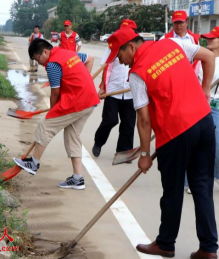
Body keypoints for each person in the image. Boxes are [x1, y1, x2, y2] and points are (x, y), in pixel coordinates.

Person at [105, 28, 218, 258]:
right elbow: (208, 56)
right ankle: (208, 248)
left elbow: (144, 120)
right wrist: (205, 89)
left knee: (173, 190)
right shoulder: (173, 45)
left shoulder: (137, 74)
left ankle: (165, 243)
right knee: (203, 186)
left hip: (176, 133)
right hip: (204, 122)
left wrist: (145, 154)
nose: (120, 61)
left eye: (119, 55)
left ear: (131, 47)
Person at [13, 39, 100, 190]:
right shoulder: (68, 53)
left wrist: (53, 112)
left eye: (37, 58)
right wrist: (84, 82)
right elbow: (90, 59)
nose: (38, 62)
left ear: (45, 52)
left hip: (77, 101)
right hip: (90, 100)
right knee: (72, 135)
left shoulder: (52, 64)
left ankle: (33, 163)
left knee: (45, 126)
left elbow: (55, 93)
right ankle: (78, 178)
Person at [161, 10, 201, 193]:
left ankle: (190, 173)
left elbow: (199, 61)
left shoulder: (194, 39)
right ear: (172, 23)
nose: (179, 25)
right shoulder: (165, 39)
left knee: (191, 127)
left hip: (191, 86)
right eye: (176, 22)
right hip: (172, 87)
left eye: (181, 22)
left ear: (187, 22)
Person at [92, 19, 137, 158]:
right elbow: (106, 67)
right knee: (110, 120)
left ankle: (123, 152)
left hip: (130, 91)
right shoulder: (112, 47)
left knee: (128, 124)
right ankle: (98, 141)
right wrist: (103, 87)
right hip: (113, 89)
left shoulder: (137, 47)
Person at [200, 26, 219, 185]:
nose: (209, 40)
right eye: (208, 37)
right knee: (197, 144)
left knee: (216, 145)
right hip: (200, 106)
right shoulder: (200, 59)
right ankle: (192, 181)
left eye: (213, 38)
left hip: (217, 106)